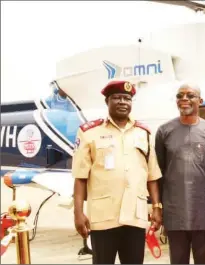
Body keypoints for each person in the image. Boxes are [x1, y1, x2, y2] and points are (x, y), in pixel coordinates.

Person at [71, 80, 163, 264]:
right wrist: (78, 213)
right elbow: (80, 177)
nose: (123, 102)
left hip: (135, 217)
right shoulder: (90, 132)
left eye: (127, 98)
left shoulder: (143, 132)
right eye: (117, 98)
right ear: (107, 102)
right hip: (104, 217)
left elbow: (152, 175)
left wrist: (156, 207)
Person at [154, 82, 205, 264]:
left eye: (190, 95)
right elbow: (158, 172)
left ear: (200, 101)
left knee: (203, 260)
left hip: (204, 210)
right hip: (174, 211)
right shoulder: (164, 131)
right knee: (178, 261)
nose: (184, 99)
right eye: (180, 96)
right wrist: (158, 207)